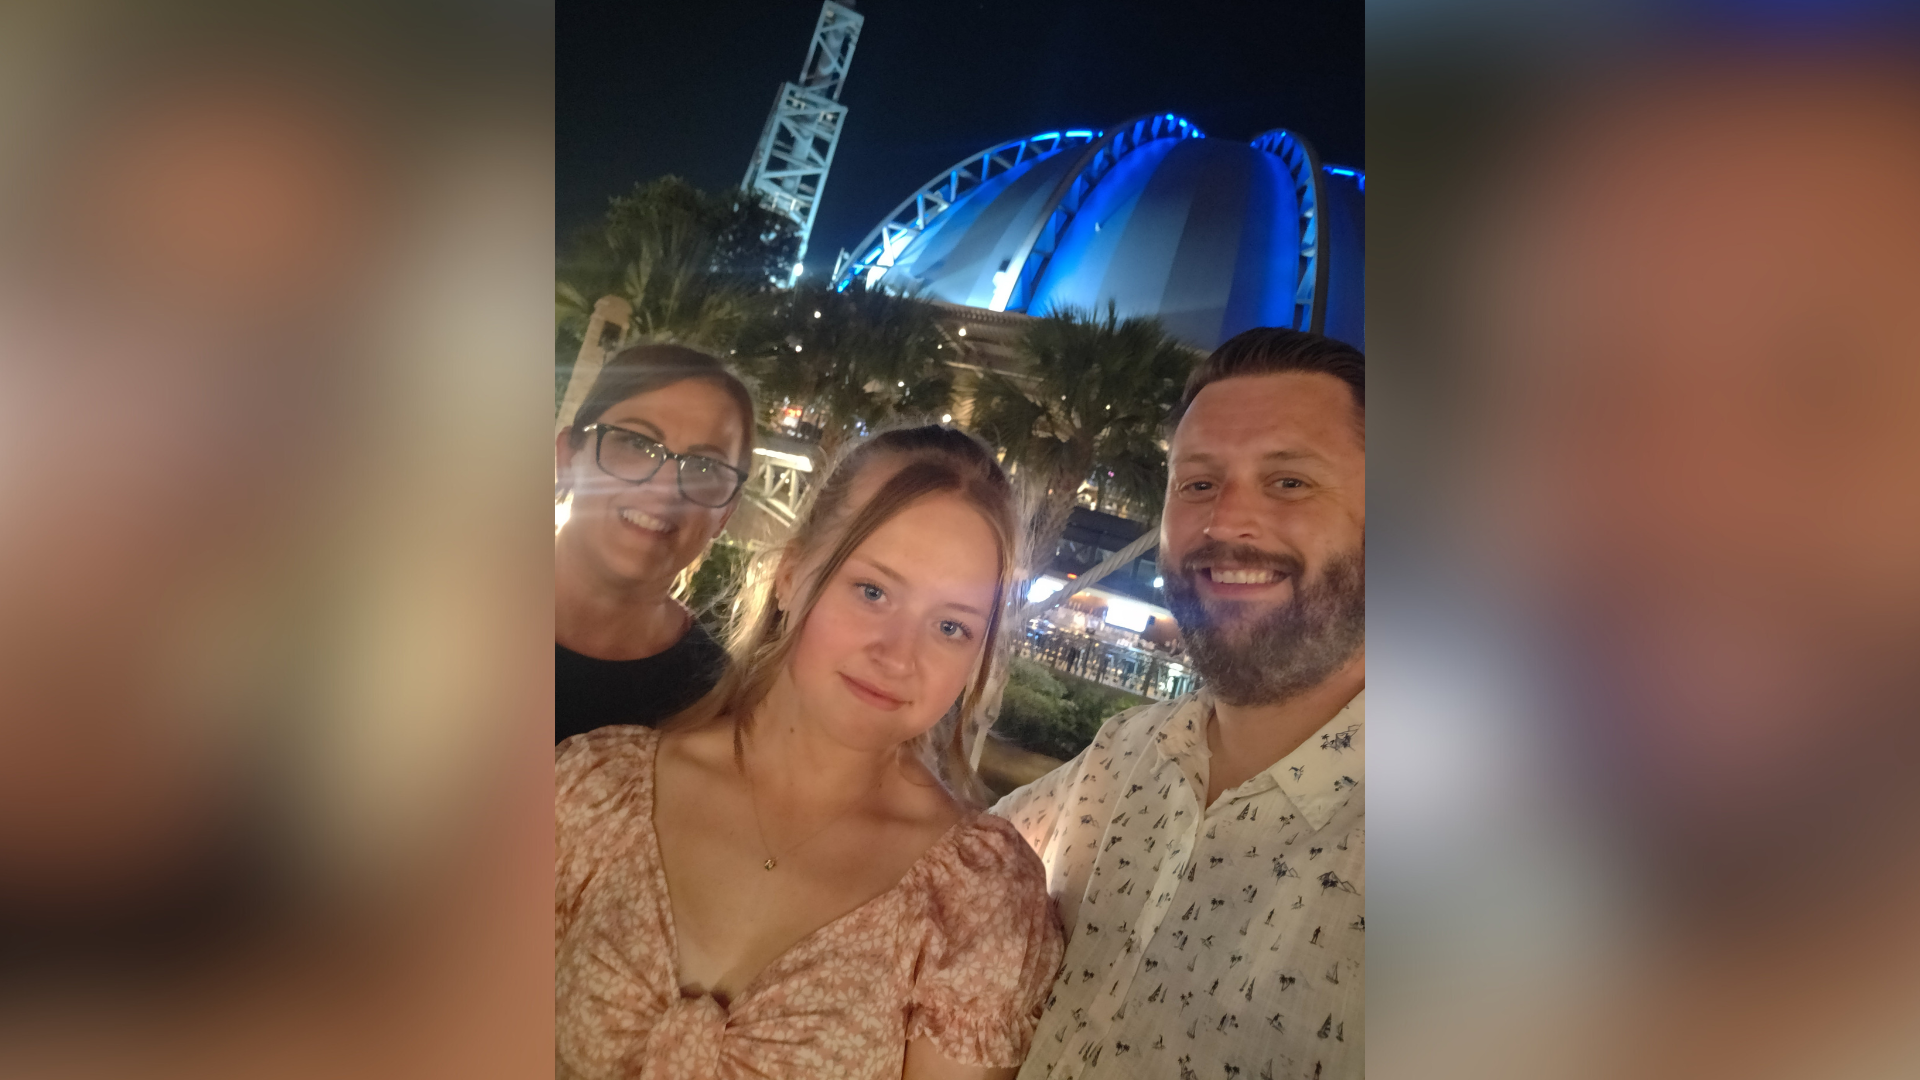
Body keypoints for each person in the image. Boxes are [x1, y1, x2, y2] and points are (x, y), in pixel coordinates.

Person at [556, 425, 1066, 1080]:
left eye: (950, 626)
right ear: (791, 575)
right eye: (873, 591)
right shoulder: (594, 791)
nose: (898, 656)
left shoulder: (977, 902)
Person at [994, 328, 1366, 1080]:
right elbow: (940, 860)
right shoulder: (1124, 755)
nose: (1224, 522)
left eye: (1289, 482)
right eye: (1197, 484)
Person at [554, 343, 756, 742]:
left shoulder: (713, 701)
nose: (665, 491)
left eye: (705, 467)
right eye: (635, 443)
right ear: (567, 457)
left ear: (726, 513)